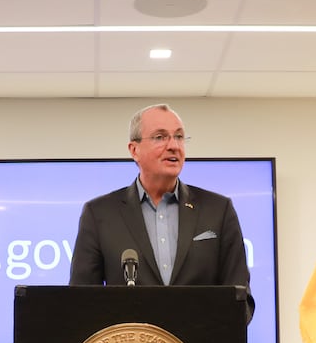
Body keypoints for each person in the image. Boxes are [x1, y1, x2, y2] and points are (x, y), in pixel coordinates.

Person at [68, 102, 253, 320]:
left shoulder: (219, 210)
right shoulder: (99, 214)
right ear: (134, 150)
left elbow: (240, 299)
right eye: (160, 137)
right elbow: (81, 304)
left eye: (179, 137)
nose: (174, 145)